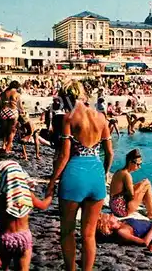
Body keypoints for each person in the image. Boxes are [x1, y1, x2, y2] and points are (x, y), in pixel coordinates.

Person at [46, 81, 114, 271]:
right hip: (96, 176)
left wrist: (52, 182)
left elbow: (65, 155)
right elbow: (110, 153)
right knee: (89, 235)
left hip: (74, 176)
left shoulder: (69, 118)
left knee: (67, 232)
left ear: (66, 97)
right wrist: (106, 172)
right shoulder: (101, 118)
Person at [0, 160, 53, 271]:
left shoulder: (0, 200)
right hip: (24, 238)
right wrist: (50, 195)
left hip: (5, 238)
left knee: (3, 268)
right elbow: (43, 205)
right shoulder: (27, 195)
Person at [109, 149, 152, 219]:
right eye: (138, 164)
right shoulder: (127, 175)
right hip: (121, 210)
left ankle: (150, 205)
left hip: (114, 206)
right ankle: (151, 212)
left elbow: (126, 190)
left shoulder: (119, 172)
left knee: (143, 183)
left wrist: (142, 187)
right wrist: (143, 190)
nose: (139, 167)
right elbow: (132, 196)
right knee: (147, 183)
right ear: (130, 162)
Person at [0, 81, 24, 154]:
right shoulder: (17, 94)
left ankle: (3, 146)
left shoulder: (3, 93)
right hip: (12, 112)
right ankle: (7, 148)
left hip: (4, 111)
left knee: (5, 130)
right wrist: (23, 112)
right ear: (17, 87)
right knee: (12, 131)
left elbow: (0, 104)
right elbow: (20, 106)